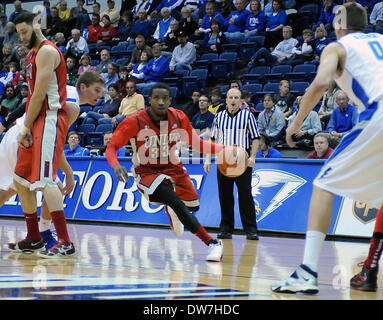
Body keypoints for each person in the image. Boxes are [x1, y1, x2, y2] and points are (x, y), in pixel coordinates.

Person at [270, 3, 383, 294]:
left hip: (379, 113)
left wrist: (295, 124)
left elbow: (321, 83)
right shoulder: (380, 40)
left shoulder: (337, 46)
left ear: (338, 25)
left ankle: (306, 272)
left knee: (322, 185)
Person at [9, 14, 100, 259]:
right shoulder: (32, 54)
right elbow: (30, 97)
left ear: (36, 27)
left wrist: (25, 127)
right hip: (35, 118)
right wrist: (26, 126)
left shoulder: (48, 52)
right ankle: (34, 238)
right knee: (20, 180)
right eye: (18, 32)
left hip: (49, 118)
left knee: (47, 180)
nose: (22, 36)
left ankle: (65, 242)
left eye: (25, 31)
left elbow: (39, 94)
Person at [105, 82, 225, 262]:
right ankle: (212, 243)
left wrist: (226, 149)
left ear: (170, 100)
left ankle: (173, 209)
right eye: (156, 98)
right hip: (146, 171)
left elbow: (198, 143)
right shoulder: (134, 121)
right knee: (174, 200)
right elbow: (111, 147)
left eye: (164, 98)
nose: (161, 102)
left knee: (192, 207)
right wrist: (115, 164)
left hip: (172, 167)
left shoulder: (179, 116)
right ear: (149, 100)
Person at [204, 88, 260, 240]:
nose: (233, 100)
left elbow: (255, 138)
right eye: (231, 97)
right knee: (225, 196)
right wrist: (208, 159)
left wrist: (253, 156)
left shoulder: (248, 116)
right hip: (223, 161)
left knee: (245, 195)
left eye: (236, 97)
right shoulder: (219, 117)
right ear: (226, 100)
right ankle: (226, 228)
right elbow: (213, 139)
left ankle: (251, 229)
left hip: (242, 161)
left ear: (241, 100)